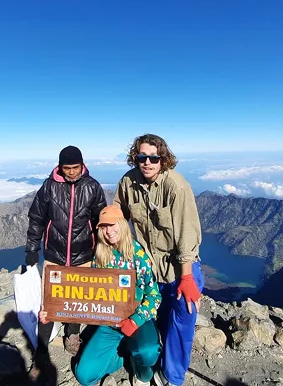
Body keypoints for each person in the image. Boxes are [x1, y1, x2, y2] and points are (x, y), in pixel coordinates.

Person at [113, 134, 203, 386]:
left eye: (154, 157)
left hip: (179, 269)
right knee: (160, 321)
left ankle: (172, 378)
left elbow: (187, 233)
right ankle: (155, 361)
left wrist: (186, 276)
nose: (148, 162)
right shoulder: (128, 182)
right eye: (142, 157)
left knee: (181, 324)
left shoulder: (176, 186)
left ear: (163, 159)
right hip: (150, 269)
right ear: (136, 158)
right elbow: (118, 212)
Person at [25, 145, 107, 366]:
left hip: (84, 256)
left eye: (75, 167)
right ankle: (41, 350)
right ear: (60, 167)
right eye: (67, 168)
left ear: (82, 165)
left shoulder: (92, 187)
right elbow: (37, 219)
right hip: (55, 255)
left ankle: (72, 336)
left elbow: (101, 222)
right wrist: (32, 250)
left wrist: (103, 251)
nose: (71, 172)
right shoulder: (49, 187)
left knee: (78, 300)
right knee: (49, 304)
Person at [62, 205, 161, 386]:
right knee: (85, 376)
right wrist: (55, 311)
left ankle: (140, 368)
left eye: (112, 225)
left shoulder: (138, 255)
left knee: (148, 353)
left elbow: (154, 296)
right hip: (111, 324)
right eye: (104, 227)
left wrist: (135, 321)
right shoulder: (100, 255)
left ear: (122, 224)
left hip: (138, 321)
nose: (108, 231)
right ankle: (126, 352)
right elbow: (87, 292)